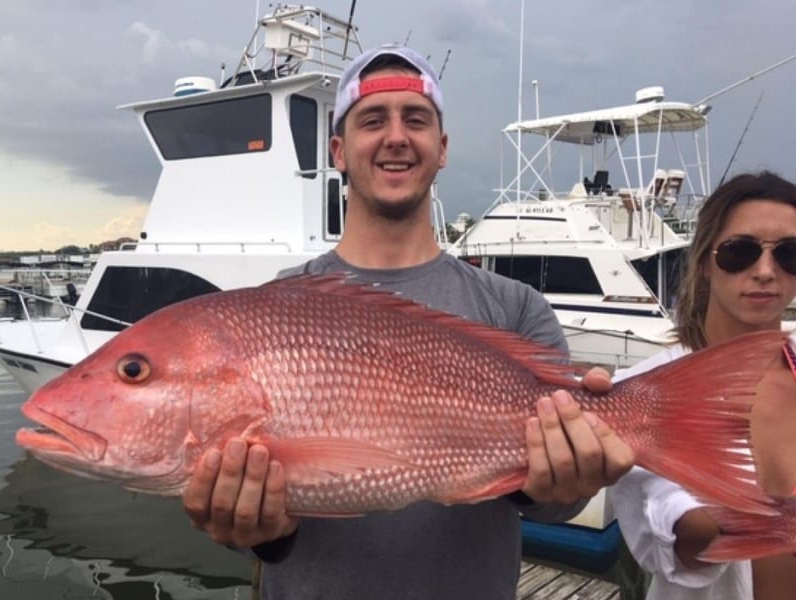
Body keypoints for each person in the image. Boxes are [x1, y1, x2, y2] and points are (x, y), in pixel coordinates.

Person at [182, 43, 634, 600]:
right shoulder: (279, 306)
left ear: (441, 149)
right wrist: (259, 533)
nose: (396, 136)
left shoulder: (516, 308)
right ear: (339, 150)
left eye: (415, 120)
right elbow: (255, 531)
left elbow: (558, 505)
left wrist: (560, 477)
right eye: (373, 120)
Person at [609, 170, 796, 600]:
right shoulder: (643, 390)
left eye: (790, 254)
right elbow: (675, 532)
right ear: (705, 263)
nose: (766, 271)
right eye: (739, 252)